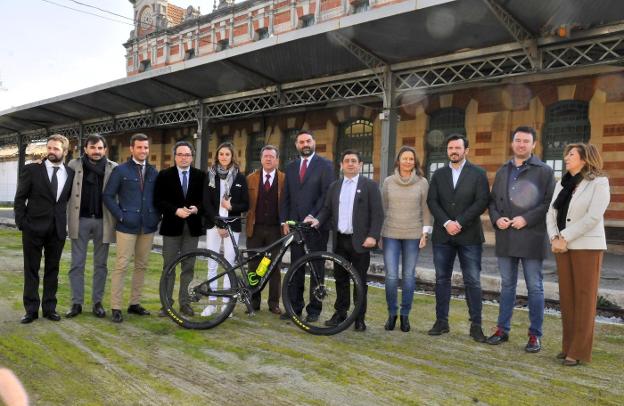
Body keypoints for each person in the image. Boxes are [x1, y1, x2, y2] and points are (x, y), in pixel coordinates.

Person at [486, 126, 555, 352]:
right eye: (518, 140)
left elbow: (548, 204)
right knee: (507, 286)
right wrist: (496, 220)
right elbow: (493, 202)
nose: (521, 144)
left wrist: (526, 219)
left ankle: (535, 335)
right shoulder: (503, 170)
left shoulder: (544, 171)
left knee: (535, 287)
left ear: (534, 145)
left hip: (531, 236)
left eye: (526, 141)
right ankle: (502, 330)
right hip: (506, 236)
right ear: (512, 143)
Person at [546, 143, 610, 366]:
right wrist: (554, 237)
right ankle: (567, 347)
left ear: (584, 159)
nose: (566, 157)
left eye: (571, 154)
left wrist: (565, 236)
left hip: (586, 247)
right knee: (567, 299)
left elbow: (593, 217)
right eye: (566, 154)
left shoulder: (598, 182)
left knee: (584, 299)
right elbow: (551, 212)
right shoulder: (561, 183)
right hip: (562, 247)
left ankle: (579, 351)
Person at [309, 149, 383, 331]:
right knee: (340, 279)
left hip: (360, 242)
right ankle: (340, 314)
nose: (350, 163)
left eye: (354, 161)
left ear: (360, 165)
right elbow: (327, 209)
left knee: (360, 281)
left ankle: (359, 318)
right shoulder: (335, 186)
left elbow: (378, 214)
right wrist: (317, 220)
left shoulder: (370, 186)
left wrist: (373, 236)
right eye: (347, 161)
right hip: (340, 240)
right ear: (341, 165)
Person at [426, 133, 489, 342]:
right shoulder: (438, 174)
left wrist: (459, 222)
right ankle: (441, 322)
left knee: (472, 281)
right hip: (443, 236)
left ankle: (476, 325)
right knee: (442, 279)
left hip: (469, 236)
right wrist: (446, 223)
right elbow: (432, 201)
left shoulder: (478, 173)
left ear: (466, 151)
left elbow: (481, 202)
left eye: (458, 148)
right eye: (451, 148)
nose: (454, 151)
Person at [14, 134, 75, 323]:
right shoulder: (32, 170)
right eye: (49, 148)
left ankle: (50, 309)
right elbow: (19, 198)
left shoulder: (71, 174)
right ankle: (31, 310)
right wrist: (22, 222)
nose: (51, 151)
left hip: (56, 230)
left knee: (52, 270)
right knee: (31, 270)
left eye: (56, 149)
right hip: (33, 228)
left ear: (65, 152)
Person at [103, 133, 160, 323]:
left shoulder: (153, 172)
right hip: (126, 226)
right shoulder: (120, 171)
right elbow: (108, 196)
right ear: (132, 149)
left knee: (141, 266)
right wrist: (120, 215)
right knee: (121, 265)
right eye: (140, 147)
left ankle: (134, 304)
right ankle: (116, 306)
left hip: (148, 226)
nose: (143, 150)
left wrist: (157, 216)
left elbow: (159, 197)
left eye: (146, 147)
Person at [280, 130, 335, 322]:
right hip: (295, 227)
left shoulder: (326, 165)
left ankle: (314, 309)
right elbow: (286, 196)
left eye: (308, 141)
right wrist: (284, 220)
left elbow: (327, 194)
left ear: (314, 142)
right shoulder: (291, 166)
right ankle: (294, 307)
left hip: (316, 226)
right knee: (296, 268)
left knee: (316, 269)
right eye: (301, 141)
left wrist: (314, 215)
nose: (305, 144)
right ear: (296, 145)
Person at [65, 134, 118, 319]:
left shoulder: (113, 168)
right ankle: (76, 303)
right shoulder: (73, 165)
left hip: (104, 221)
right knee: (77, 264)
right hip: (80, 220)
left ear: (105, 150)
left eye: (100, 148)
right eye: (93, 147)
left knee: (101, 265)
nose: (96, 151)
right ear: (85, 149)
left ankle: (97, 303)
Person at [380, 146, 431, 333]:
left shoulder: (422, 182)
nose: (408, 161)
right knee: (391, 277)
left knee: (409, 276)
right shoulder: (388, 182)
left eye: (411, 159)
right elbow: (383, 208)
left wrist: (425, 233)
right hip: (391, 233)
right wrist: (379, 233)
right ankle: (392, 313)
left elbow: (426, 208)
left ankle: (405, 315)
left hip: (413, 234)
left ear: (415, 162)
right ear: (398, 161)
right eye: (405, 158)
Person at [154, 141, 205, 317]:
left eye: (187, 155)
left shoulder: (200, 176)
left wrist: (197, 208)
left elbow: (205, 200)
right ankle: (167, 304)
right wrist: (175, 210)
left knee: (188, 266)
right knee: (168, 266)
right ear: (175, 156)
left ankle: (185, 303)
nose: (184, 158)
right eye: (180, 154)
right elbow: (158, 201)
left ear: (192, 157)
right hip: (171, 227)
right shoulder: (164, 175)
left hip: (192, 228)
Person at [202, 141, 249, 316]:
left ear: (232, 157)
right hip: (214, 225)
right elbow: (206, 202)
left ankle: (226, 306)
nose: (223, 157)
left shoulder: (240, 177)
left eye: (227, 154)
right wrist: (218, 223)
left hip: (232, 226)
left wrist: (231, 207)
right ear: (217, 156)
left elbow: (246, 204)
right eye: (221, 154)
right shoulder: (210, 176)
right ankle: (211, 303)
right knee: (212, 264)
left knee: (229, 265)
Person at [245, 145, 285, 315]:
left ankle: (274, 303)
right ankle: (254, 301)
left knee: (273, 266)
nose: (268, 159)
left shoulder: (284, 179)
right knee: (254, 266)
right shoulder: (251, 179)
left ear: (277, 160)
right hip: (255, 229)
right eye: (266, 156)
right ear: (261, 159)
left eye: (272, 156)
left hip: (276, 230)